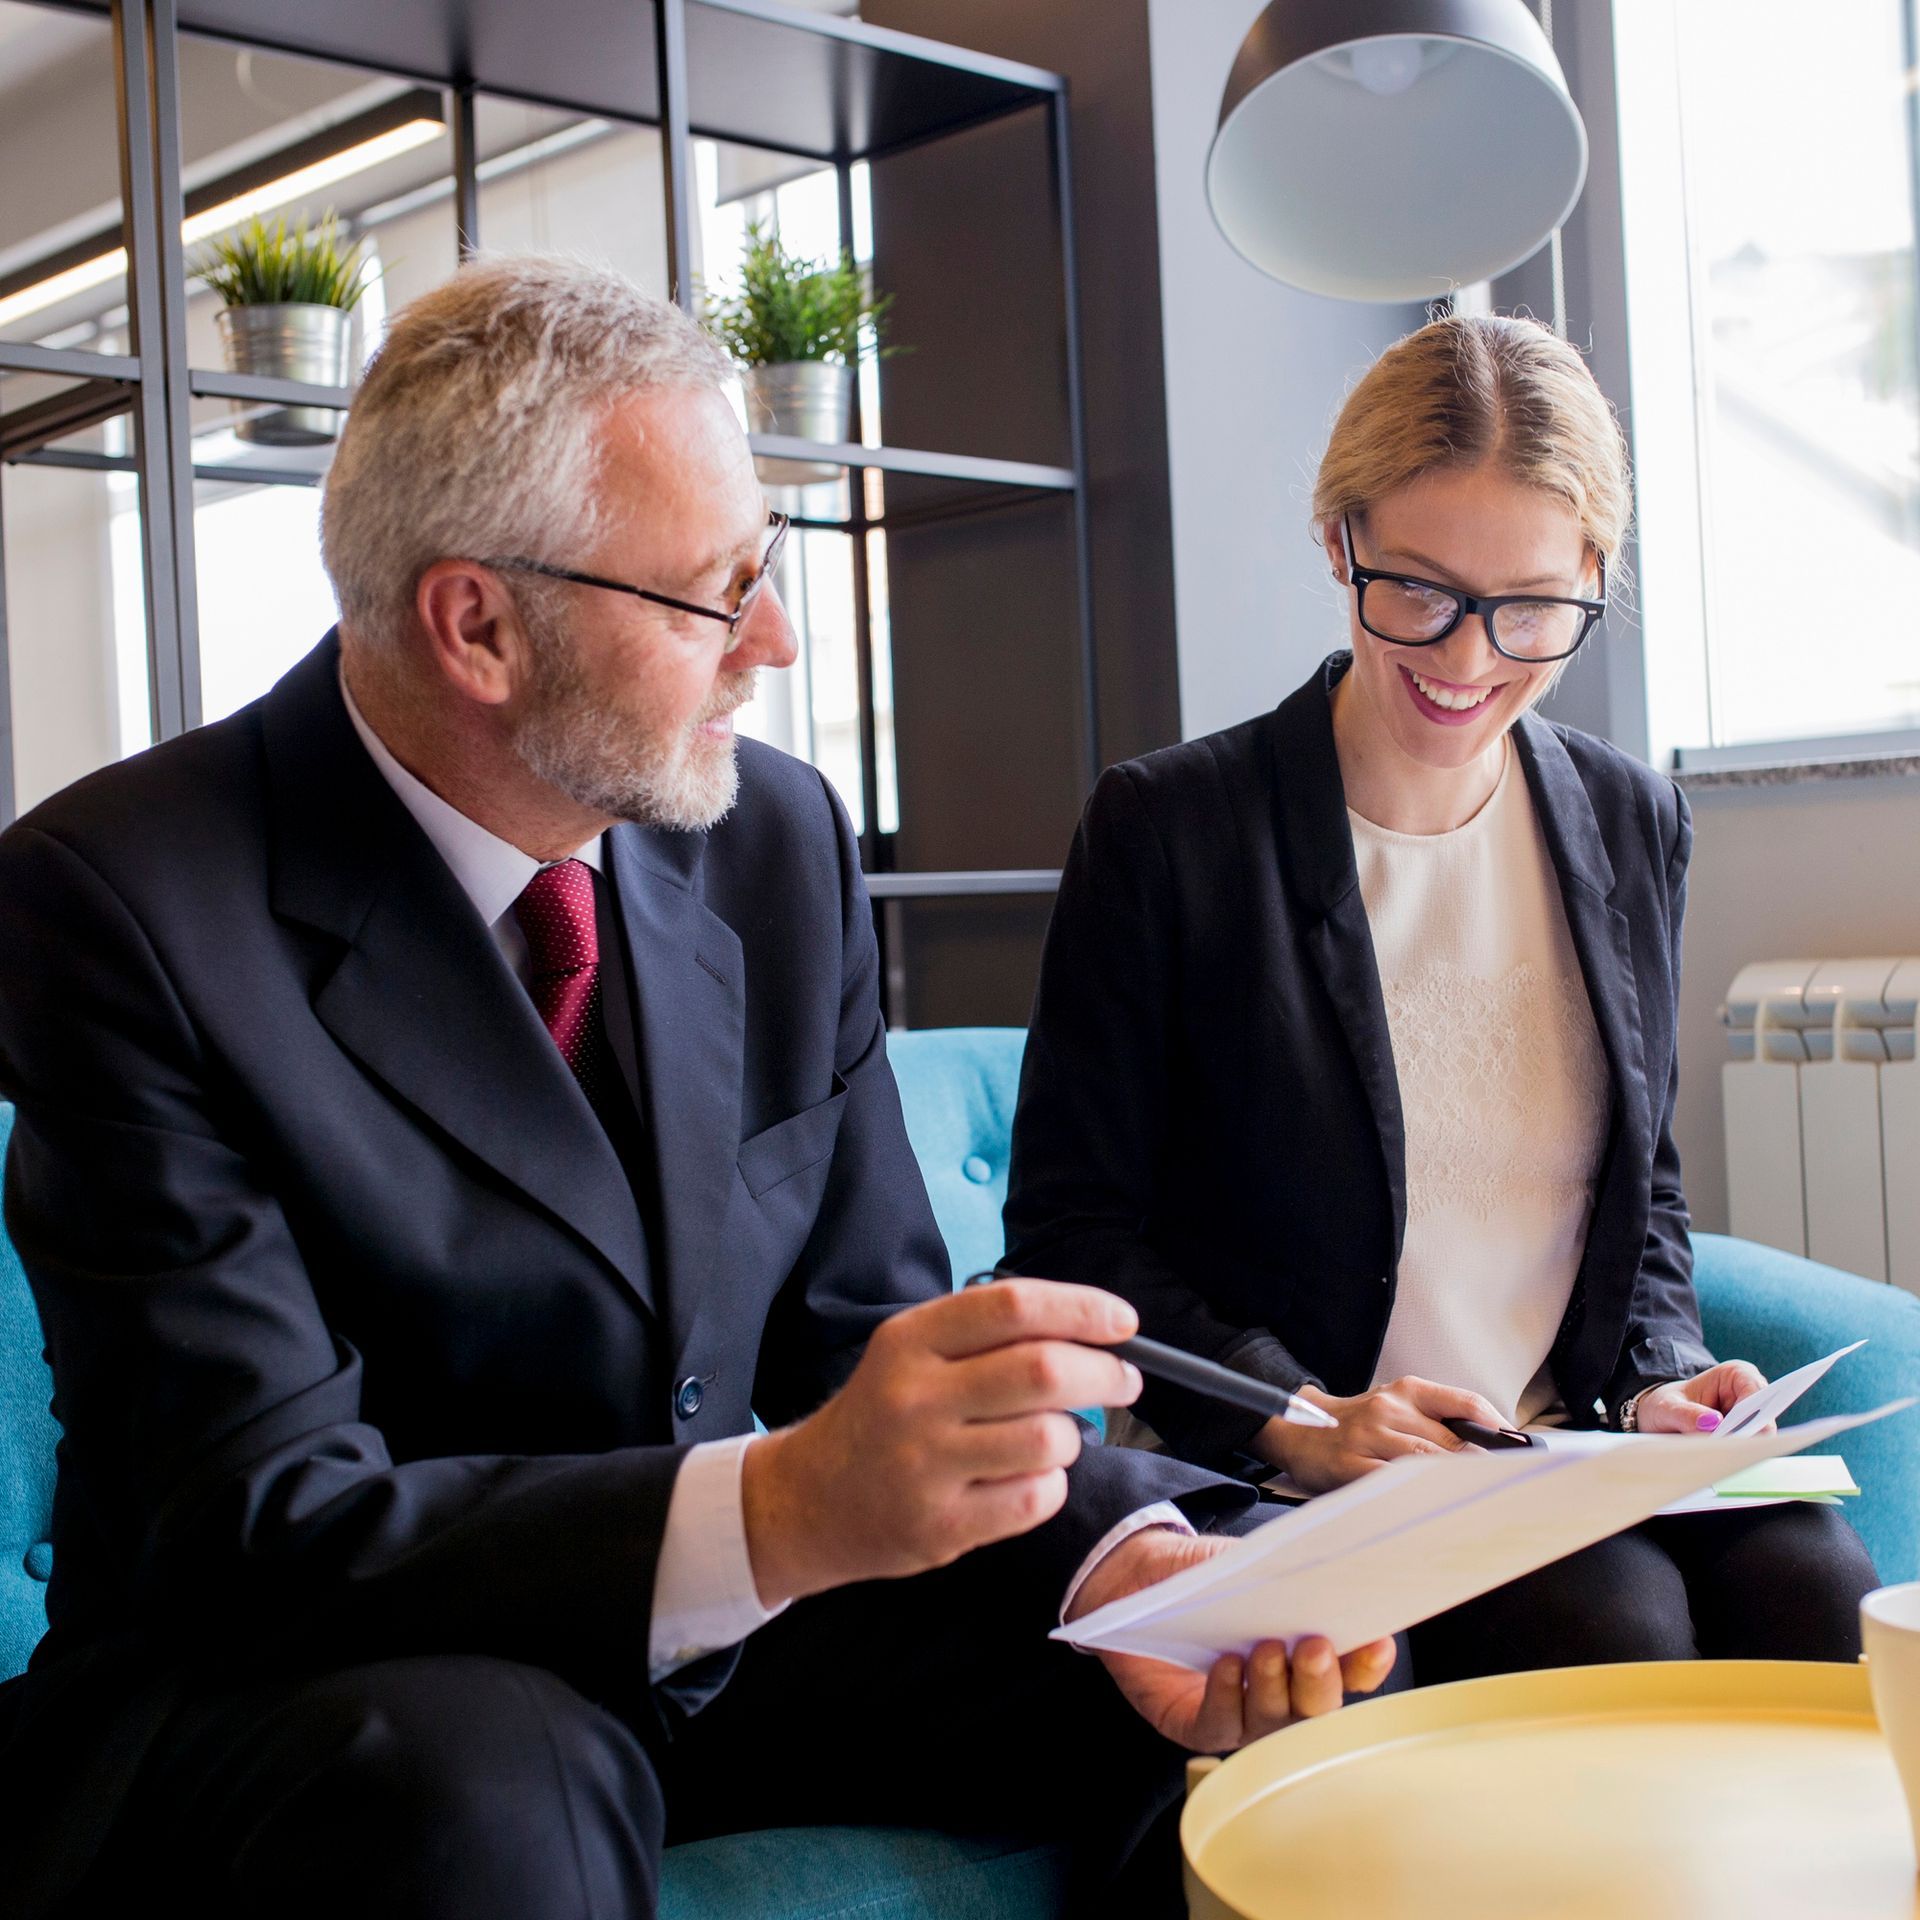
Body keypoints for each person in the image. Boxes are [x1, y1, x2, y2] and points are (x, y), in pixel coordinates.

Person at [0, 258, 1394, 1920]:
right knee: (494, 1784)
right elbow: (266, 1520)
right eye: (715, 592)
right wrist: (786, 1510)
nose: (778, 641)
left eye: (771, 563)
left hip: (710, 1631)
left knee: (1233, 1652)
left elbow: (858, 1324)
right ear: (480, 625)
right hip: (315, 1675)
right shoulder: (116, 899)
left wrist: (1135, 1563)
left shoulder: (769, 838)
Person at [1004, 312, 1879, 1686]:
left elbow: (1640, 1184)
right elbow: (1072, 1237)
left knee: (1825, 1593)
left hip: (1557, 1451)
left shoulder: (1627, 817)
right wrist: (1298, 1414)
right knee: (1616, 1628)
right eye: (1417, 590)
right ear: (1338, 538)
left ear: (1596, 574)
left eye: (1531, 606)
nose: (1469, 659)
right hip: (1303, 1463)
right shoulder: (1172, 829)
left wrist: (1659, 1373)